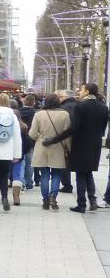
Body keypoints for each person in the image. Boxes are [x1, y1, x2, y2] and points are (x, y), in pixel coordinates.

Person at [44, 83, 110, 213]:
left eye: (81, 90)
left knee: (80, 174)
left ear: (87, 92)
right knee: (88, 173)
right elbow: (103, 129)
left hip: (81, 145)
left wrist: (54, 140)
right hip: (95, 145)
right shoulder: (103, 108)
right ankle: (92, 200)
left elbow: (72, 128)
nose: (79, 92)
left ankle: (81, 204)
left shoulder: (80, 107)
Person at [28, 94, 70, 210]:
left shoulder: (39, 114)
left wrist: (40, 137)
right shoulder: (65, 115)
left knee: (44, 175)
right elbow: (67, 135)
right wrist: (68, 148)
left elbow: (32, 134)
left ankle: (45, 200)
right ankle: (53, 197)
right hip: (58, 147)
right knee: (56, 174)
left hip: (42, 146)